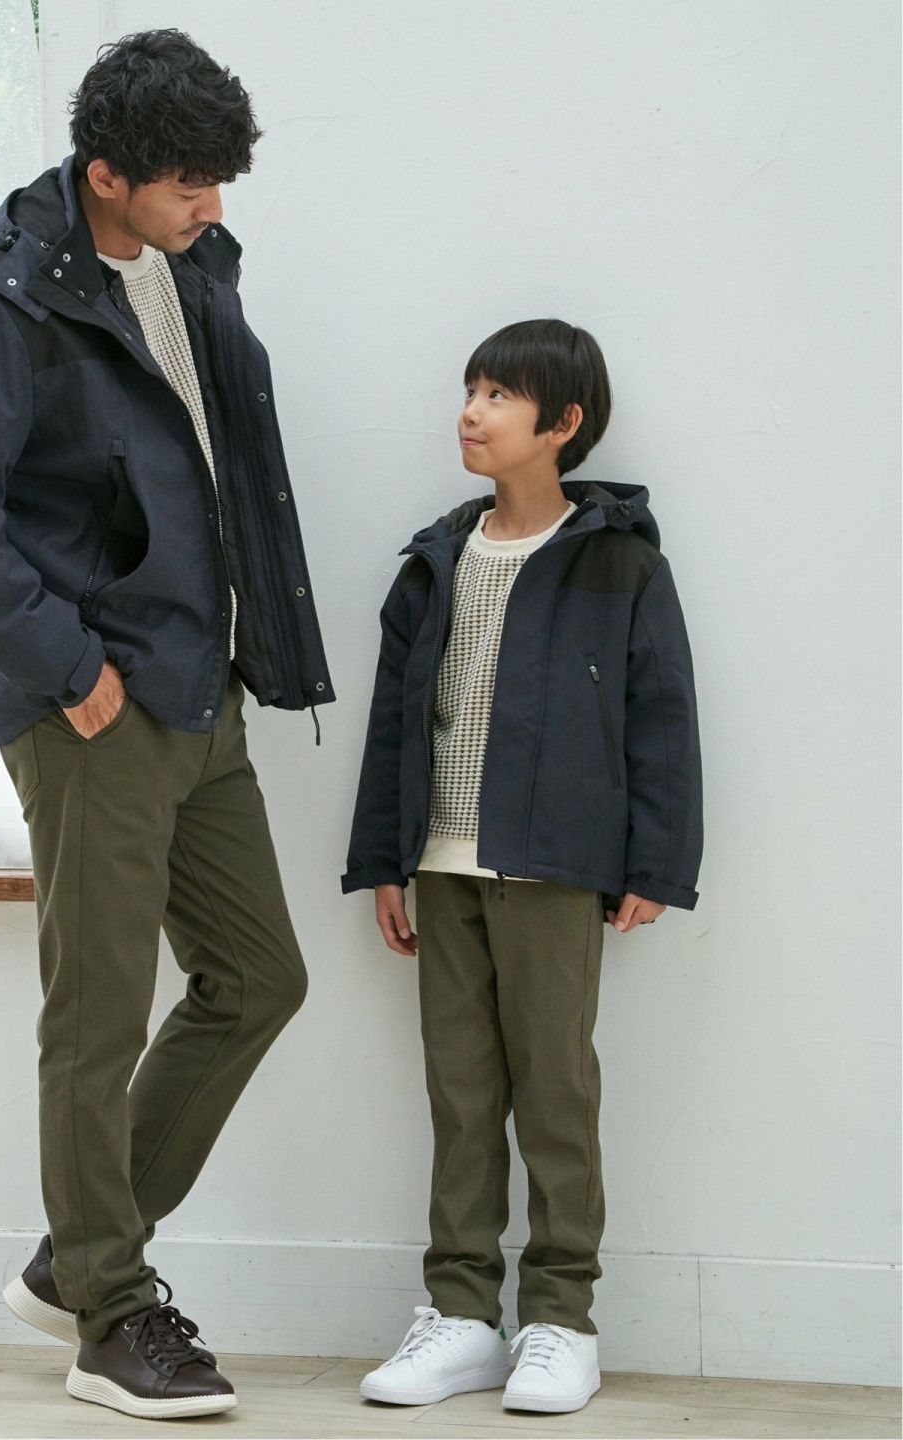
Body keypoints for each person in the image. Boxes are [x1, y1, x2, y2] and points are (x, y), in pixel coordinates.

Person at [0, 29, 333, 1421]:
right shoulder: (1, 305)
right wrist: (69, 666)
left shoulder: (192, 268)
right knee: (97, 1015)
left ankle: (79, 1254)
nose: (214, 203)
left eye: (221, 177)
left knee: (257, 978)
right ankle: (112, 1316)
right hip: (96, 708)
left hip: (203, 690)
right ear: (105, 174)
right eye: (188, 180)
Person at [342, 319, 703, 1415]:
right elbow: (393, 722)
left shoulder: (620, 563)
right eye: (470, 389)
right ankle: (460, 1316)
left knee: (554, 1093)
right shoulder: (436, 559)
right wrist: (383, 859)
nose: (471, 411)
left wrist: (657, 863)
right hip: (442, 863)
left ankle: (559, 1320)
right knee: (460, 1095)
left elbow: (663, 718)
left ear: (564, 422)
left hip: (555, 865)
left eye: (500, 394)